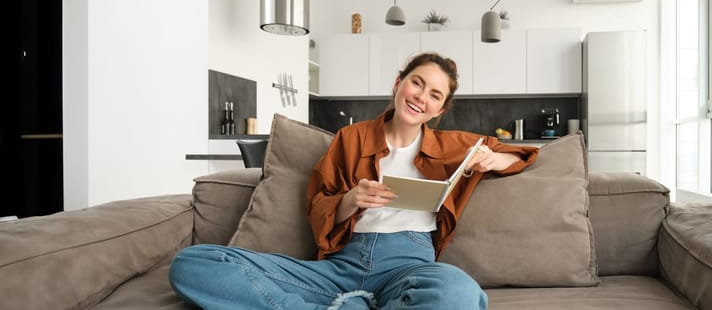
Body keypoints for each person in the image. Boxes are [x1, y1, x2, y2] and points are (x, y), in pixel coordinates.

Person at [169, 52, 539, 309]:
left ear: (439, 109)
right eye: (416, 83)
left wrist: (493, 158)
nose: (420, 97)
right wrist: (350, 200)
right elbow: (318, 208)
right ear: (398, 82)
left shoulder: (451, 145)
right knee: (193, 265)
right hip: (339, 267)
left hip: (409, 267)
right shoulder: (351, 138)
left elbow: (521, 154)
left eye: (434, 95)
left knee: (458, 292)